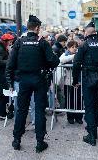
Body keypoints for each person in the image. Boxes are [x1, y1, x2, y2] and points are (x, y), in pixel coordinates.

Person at [6, 15, 59, 153]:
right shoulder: (42, 43)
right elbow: (54, 61)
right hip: (39, 80)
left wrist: (10, 82)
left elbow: (10, 64)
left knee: (21, 111)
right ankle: (40, 142)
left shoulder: (19, 42)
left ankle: (16, 140)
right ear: (37, 28)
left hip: (23, 81)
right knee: (39, 110)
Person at [0, 33, 15, 119]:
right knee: (3, 95)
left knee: (2, 95)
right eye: (10, 42)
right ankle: (0, 113)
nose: (11, 43)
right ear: (6, 41)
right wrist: (9, 61)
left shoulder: (1, 48)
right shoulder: (0, 49)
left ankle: (1, 112)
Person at [59, 40, 83, 124]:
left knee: (79, 99)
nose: (74, 48)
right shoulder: (65, 54)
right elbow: (61, 60)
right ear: (68, 48)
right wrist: (74, 56)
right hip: (68, 81)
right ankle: (70, 117)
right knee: (69, 99)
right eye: (72, 47)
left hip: (78, 80)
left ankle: (79, 117)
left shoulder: (79, 54)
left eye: (76, 47)